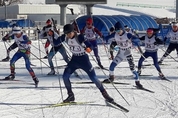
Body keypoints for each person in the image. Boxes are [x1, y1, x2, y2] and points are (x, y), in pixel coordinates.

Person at [61, 24, 114, 103]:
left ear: (73, 31)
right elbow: (55, 41)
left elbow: (90, 45)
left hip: (84, 60)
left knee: (94, 78)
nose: (68, 35)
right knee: (65, 76)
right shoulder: (66, 37)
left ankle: (104, 93)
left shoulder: (80, 37)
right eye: (66, 34)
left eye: (69, 33)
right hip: (74, 59)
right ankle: (70, 95)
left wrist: (89, 49)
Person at [103, 22, 143, 88]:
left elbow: (135, 38)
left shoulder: (127, 35)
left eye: (119, 30)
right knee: (111, 67)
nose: (117, 32)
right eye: (116, 30)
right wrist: (103, 38)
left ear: (122, 29)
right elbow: (107, 37)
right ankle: (111, 77)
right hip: (121, 52)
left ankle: (137, 82)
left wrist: (135, 39)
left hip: (127, 52)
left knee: (132, 68)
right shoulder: (115, 34)